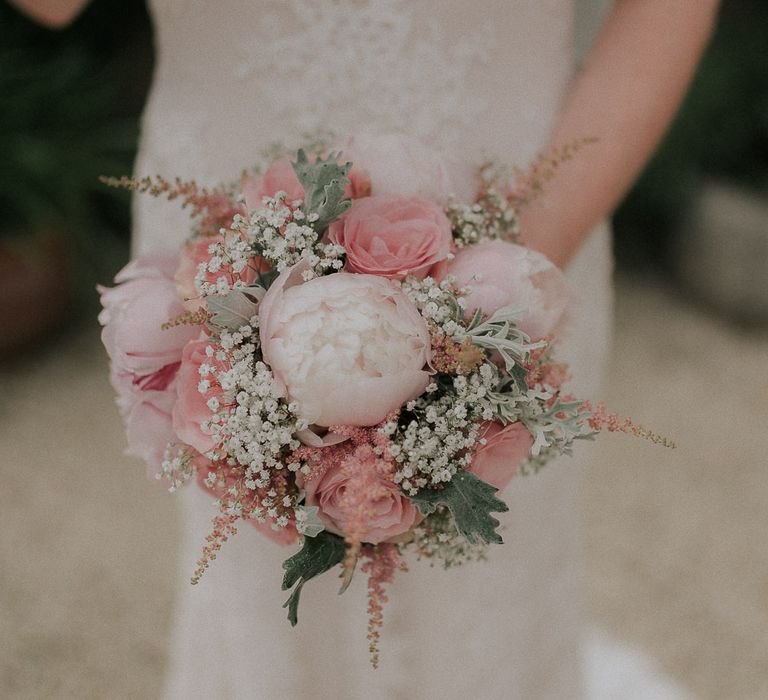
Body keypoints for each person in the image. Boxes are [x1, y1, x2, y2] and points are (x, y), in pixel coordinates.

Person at [14, 1, 719, 697]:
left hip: (526, 218)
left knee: (493, 569)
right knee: (259, 590)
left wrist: (498, 287)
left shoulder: (514, 262)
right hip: (226, 236)